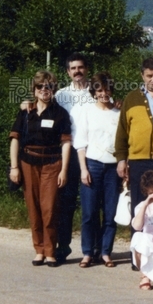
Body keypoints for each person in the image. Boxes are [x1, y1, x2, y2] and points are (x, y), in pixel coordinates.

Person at [9, 70, 72, 267]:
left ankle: (50, 251)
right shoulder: (26, 113)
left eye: (49, 86)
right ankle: (39, 250)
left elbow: (66, 143)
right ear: (34, 91)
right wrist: (14, 167)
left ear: (54, 90)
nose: (45, 90)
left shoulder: (60, 113)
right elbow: (14, 140)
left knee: (50, 208)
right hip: (28, 163)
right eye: (41, 87)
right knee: (33, 207)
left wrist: (64, 170)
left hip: (52, 164)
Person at [115, 57, 153, 245]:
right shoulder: (131, 98)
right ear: (142, 75)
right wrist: (121, 159)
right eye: (149, 75)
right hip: (138, 161)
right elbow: (122, 130)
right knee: (139, 205)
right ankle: (138, 252)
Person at [74, 72, 122, 268]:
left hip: (113, 168)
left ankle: (105, 252)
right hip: (92, 164)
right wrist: (83, 169)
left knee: (110, 214)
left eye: (107, 89)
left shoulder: (119, 113)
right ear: (93, 91)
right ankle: (87, 252)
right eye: (99, 89)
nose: (103, 93)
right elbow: (80, 143)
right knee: (89, 213)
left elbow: (124, 142)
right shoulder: (87, 112)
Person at [53, 52, 91, 263]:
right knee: (65, 203)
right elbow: (45, 110)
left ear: (86, 69)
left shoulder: (96, 92)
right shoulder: (60, 95)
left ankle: (91, 249)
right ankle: (63, 246)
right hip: (67, 155)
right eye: (73, 68)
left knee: (91, 205)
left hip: (90, 155)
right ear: (68, 72)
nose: (77, 71)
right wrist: (27, 104)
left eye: (81, 67)